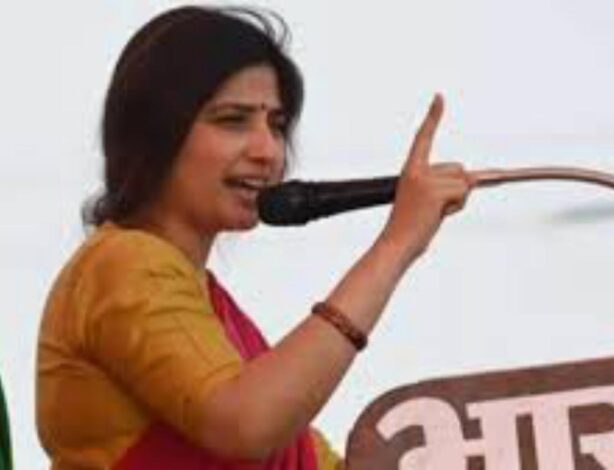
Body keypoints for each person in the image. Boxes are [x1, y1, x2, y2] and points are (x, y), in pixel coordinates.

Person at [36, 5, 472, 470]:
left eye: (277, 125)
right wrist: (395, 246)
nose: (268, 151)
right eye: (233, 120)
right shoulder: (125, 264)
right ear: (154, 131)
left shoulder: (210, 312)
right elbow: (246, 424)